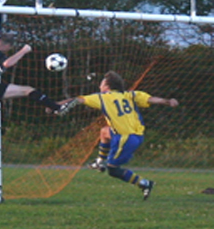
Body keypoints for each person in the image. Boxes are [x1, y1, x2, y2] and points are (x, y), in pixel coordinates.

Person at [56, 71, 179, 200]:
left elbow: (78, 99)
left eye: (102, 84)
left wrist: (56, 105)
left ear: (107, 86)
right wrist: (168, 101)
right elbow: (151, 99)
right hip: (135, 134)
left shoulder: (102, 97)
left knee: (113, 170)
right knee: (104, 131)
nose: (100, 87)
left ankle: (144, 183)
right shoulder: (130, 95)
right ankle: (99, 162)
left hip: (126, 138)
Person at [0, 33, 67, 175]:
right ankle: (57, 107)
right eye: (8, 49)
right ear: (6, 45)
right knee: (27, 90)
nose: (6, 52)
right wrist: (24, 50)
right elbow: (7, 63)